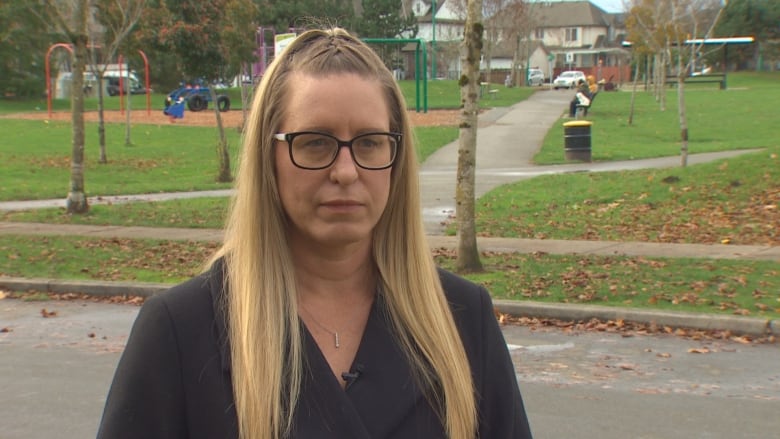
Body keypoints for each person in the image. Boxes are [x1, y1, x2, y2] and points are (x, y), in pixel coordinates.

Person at [97, 28, 533, 439]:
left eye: (369, 142)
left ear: (396, 158)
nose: (346, 171)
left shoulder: (462, 321)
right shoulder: (181, 332)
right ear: (269, 157)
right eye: (315, 142)